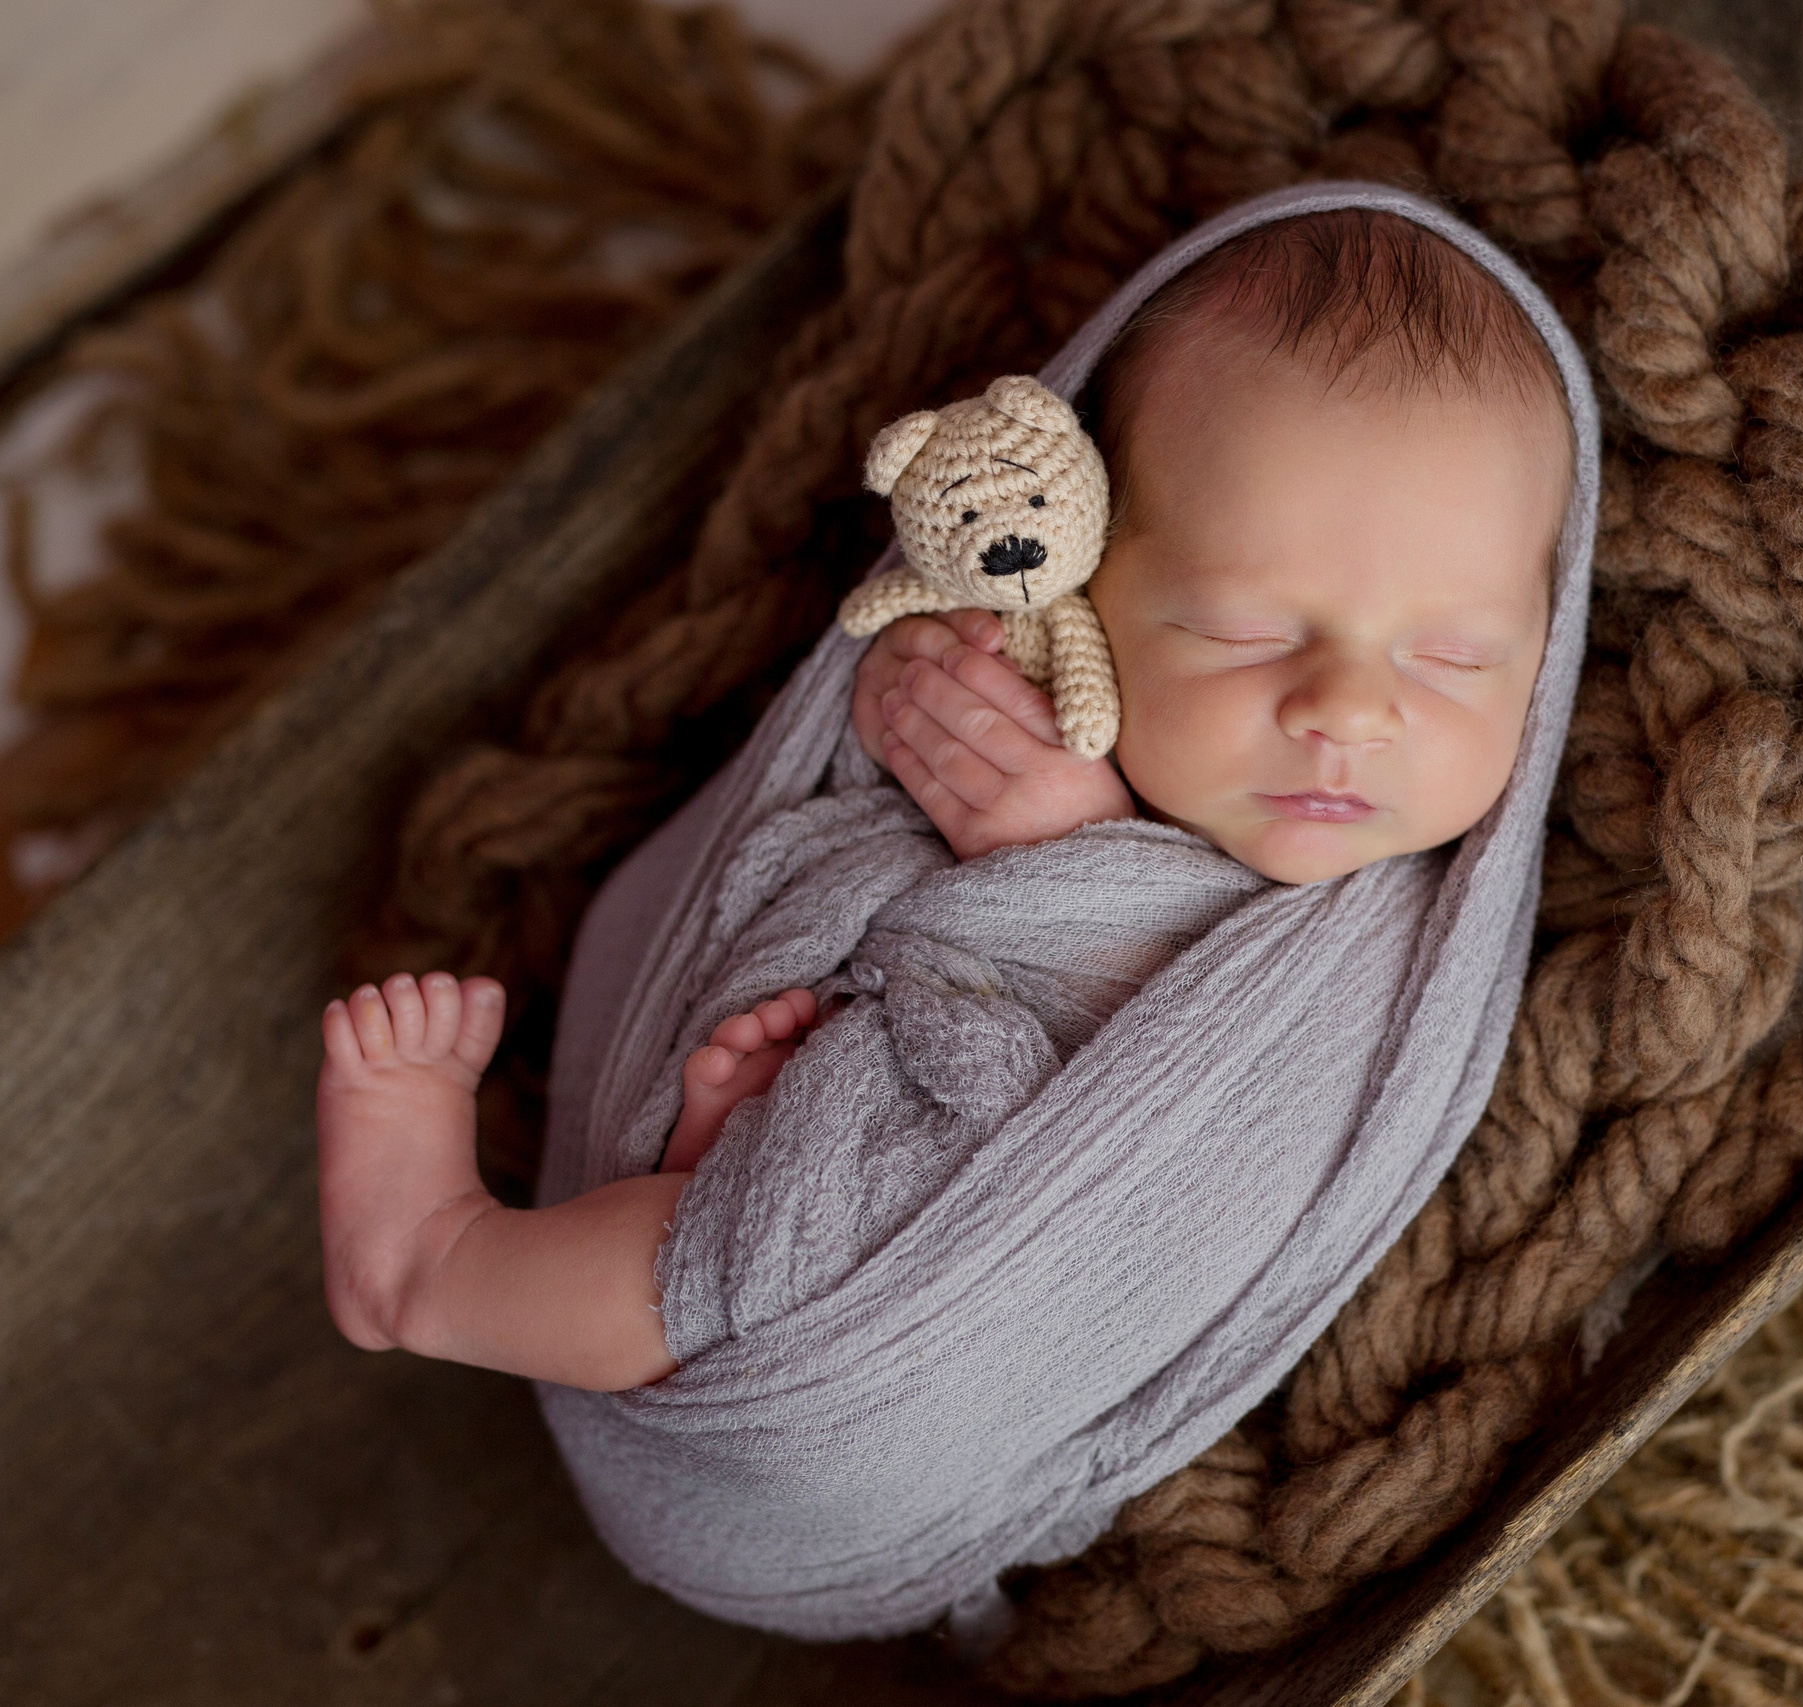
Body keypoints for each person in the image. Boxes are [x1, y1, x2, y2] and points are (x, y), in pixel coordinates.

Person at [312, 186, 1596, 1638]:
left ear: (1543, 670)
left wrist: (1080, 873)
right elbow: (836, 805)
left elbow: (1225, 1158)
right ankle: (513, 1238)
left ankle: (444, 1263)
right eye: (1243, 632)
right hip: (849, 1161)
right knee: (775, 1222)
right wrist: (1024, 812)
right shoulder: (1021, 684)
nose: (1350, 710)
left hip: (900, 1419)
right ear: (1092, 569)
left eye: (1455, 657)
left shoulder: (1412, 948)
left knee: (781, 1251)